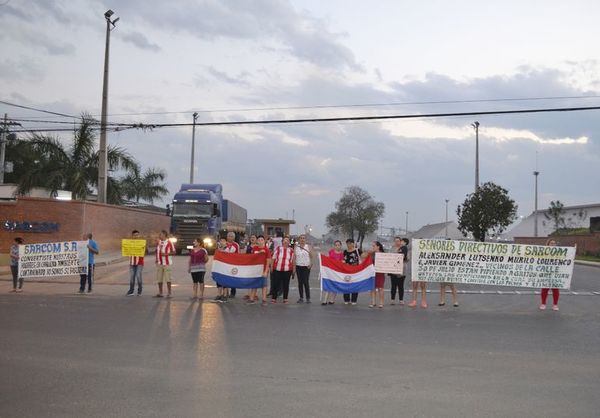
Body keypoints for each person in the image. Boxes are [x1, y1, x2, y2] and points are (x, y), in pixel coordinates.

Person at [271, 236, 295, 304]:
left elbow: (293, 261)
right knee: (276, 284)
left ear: (289, 242)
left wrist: (293, 270)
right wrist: (271, 267)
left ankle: (285, 298)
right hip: (277, 269)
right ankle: (274, 298)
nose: (285, 241)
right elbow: (273, 258)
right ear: (282, 242)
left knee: (286, 285)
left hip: (287, 270)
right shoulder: (278, 249)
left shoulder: (291, 250)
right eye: (284, 240)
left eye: (287, 240)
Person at [248, 235, 271, 305]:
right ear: (257, 241)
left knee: (264, 285)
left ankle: (264, 300)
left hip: (263, 270)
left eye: (262, 240)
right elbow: (251, 258)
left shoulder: (267, 250)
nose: (260, 241)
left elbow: (268, 261)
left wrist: (266, 271)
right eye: (259, 240)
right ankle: (252, 299)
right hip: (255, 270)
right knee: (254, 285)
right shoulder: (254, 248)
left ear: (264, 241)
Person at [540, 238, 560, 311]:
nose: (553, 244)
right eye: (551, 243)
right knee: (545, 289)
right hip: (546, 273)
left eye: (554, 243)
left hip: (555, 274)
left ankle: (555, 305)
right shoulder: (544, 252)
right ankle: (543, 303)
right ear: (548, 244)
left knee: (555, 290)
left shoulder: (559, 253)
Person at [407, 238, 428, 308]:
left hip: (423, 269)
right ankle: (414, 301)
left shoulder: (426, 251)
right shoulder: (413, 250)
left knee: (423, 286)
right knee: (414, 286)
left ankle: (424, 302)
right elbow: (410, 258)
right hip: (415, 269)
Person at [155, 230, 175, 298]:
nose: (159, 236)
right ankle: (160, 293)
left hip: (167, 263)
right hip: (159, 263)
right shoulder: (159, 242)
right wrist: (156, 259)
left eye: (160, 234)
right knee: (159, 278)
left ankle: (169, 293)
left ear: (164, 235)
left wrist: (166, 254)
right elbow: (157, 251)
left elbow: (174, 252)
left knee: (168, 278)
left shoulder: (169, 242)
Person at [322, 240, 343, 305]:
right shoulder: (331, 252)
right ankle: (325, 300)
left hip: (337, 272)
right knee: (328, 285)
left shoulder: (342, 254)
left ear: (340, 246)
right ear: (334, 246)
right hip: (330, 271)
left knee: (335, 285)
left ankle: (332, 300)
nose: (337, 246)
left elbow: (342, 263)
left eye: (338, 245)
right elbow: (327, 259)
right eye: (336, 245)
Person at [294, 234, 314, 303]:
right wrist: (294, 268)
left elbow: (312, 256)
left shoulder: (308, 246)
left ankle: (308, 298)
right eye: (301, 238)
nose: (302, 239)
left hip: (306, 266)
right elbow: (294, 258)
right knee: (300, 282)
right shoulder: (296, 247)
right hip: (298, 266)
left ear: (305, 240)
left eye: (303, 238)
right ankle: (301, 297)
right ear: (299, 240)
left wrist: (311, 264)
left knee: (305, 282)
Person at [389, 237, 407, 305]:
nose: (397, 242)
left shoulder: (404, 248)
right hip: (393, 270)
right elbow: (389, 257)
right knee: (393, 285)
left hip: (402, 269)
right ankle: (392, 299)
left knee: (401, 286)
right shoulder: (391, 249)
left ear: (400, 241)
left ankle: (401, 300)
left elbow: (407, 258)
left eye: (398, 241)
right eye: (395, 241)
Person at [343, 239, 361, 305]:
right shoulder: (345, 251)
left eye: (350, 243)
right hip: (346, 270)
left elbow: (362, 257)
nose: (349, 245)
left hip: (355, 270)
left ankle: (354, 299)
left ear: (353, 244)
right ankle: (346, 299)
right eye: (347, 244)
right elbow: (344, 260)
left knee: (355, 284)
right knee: (346, 283)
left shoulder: (357, 250)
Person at [127, 230, 144, 296]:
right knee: (132, 276)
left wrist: (143, 248)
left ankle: (139, 291)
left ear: (139, 236)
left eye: (137, 235)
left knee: (138, 276)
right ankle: (131, 290)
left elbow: (145, 252)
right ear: (132, 236)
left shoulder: (142, 243)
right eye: (135, 235)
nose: (136, 236)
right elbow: (126, 250)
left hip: (139, 262)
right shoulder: (129, 243)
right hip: (132, 262)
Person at [222, 231, 240, 299]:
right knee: (225, 278)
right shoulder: (223, 244)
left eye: (232, 236)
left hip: (233, 264)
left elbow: (238, 255)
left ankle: (233, 292)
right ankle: (225, 292)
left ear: (234, 237)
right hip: (225, 264)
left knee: (233, 278)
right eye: (229, 236)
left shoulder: (236, 245)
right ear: (227, 237)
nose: (230, 237)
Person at [369, 241, 386, 308]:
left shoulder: (383, 254)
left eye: (374, 246)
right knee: (372, 288)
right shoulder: (371, 254)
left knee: (380, 288)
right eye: (372, 246)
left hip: (380, 273)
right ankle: (373, 302)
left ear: (378, 246)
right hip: (372, 272)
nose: (373, 247)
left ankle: (381, 303)